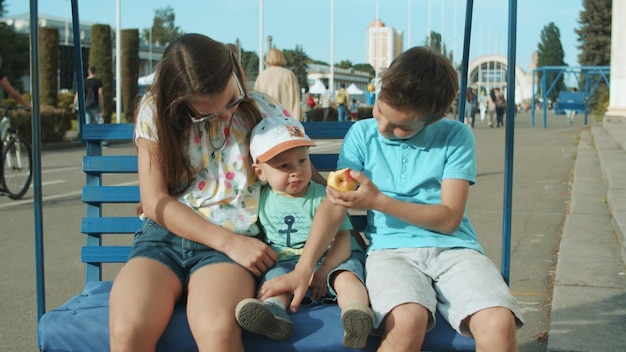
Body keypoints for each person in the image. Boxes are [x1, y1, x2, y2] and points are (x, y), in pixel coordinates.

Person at [259, 47, 524, 352]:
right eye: (380, 111)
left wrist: (379, 201)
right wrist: (302, 270)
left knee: (498, 324)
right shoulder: (362, 134)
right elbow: (335, 204)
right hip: (391, 252)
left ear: (435, 117)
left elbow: (450, 218)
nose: (384, 128)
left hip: (456, 251)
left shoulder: (455, 136)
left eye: (402, 127)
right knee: (405, 321)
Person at [108, 33, 297, 351]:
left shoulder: (264, 111)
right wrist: (232, 243)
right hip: (165, 240)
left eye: (231, 101)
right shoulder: (156, 112)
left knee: (216, 329)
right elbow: (155, 201)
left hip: (226, 250)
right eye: (206, 115)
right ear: (178, 102)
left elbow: (302, 174)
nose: (225, 116)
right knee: (129, 329)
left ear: (234, 70)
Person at [234, 116, 373, 349]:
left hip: (332, 258)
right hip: (287, 263)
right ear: (260, 173)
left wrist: (326, 268)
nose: (296, 171)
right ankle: (273, 314)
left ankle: (356, 313)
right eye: (284, 166)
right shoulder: (259, 200)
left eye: (302, 161)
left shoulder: (324, 196)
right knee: (274, 281)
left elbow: (343, 240)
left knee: (346, 277)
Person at [254, 48, 303, 121]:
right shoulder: (289, 75)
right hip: (286, 121)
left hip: (265, 121)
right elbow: (295, 102)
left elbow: (255, 100)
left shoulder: (261, 76)